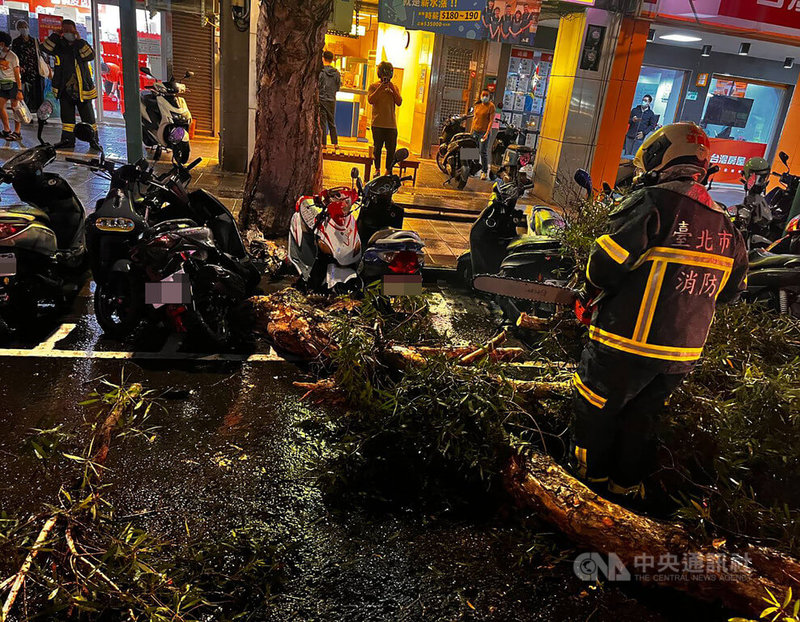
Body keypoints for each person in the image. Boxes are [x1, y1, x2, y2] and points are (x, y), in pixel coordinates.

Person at [569, 122, 748, 503]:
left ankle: (585, 495)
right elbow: (732, 292)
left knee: (593, 413)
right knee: (641, 423)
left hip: (625, 343)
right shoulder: (725, 224)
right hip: (680, 356)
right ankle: (626, 496)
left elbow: (603, 268)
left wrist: (591, 295)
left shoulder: (652, 203)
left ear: (659, 157)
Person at [41, 19, 101, 151]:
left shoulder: (80, 45)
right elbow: (44, 48)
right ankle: (68, 140)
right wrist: (56, 34)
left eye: (70, 30)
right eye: (65, 30)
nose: (68, 33)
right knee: (67, 120)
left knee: (89, 119)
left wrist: (78, 40)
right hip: (64, 90)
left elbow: (90, 55)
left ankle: (94, 141)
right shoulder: (59, 46)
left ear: (75, 30)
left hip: (82, 90)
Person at [367, 61, 402, 177]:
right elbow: (371, 100)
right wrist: (380, 88)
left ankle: (388, 171)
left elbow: (399, 102)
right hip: (377, 124)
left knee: (391, 150)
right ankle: (377, 169)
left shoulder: (394, 87)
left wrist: (392, 89)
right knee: (377, 148)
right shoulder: (373, 86)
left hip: (391, 125)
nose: (385, 77)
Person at [12, 20, 43, 119]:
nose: (24, 29)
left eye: (25, 27)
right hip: (24, 72)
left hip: (36, 71)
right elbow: (15, 56)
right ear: (18, 29)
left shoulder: (34, 40)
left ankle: (41, 116)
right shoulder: (16, 42)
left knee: (38, 94)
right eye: (21, 27)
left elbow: (40, 54)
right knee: (25, 95)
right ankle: (27, 116)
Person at [0, 32, 23, 141]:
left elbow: (17, 74)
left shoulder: (13, 57)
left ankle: (17, 132)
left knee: (15, 108)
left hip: (13, 84)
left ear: (2, 43)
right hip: (2, 84)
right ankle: (6, 130)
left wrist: (19, 90)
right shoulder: (0, 54)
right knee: (0, 107)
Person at [319, 50, 341, 152]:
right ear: (332, 60)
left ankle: (324, 144)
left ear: (323, 58)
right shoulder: (336, 73)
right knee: (332, 121)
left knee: (323, 123)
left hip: (322, 98)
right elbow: (338, 87)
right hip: (332, 99)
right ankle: (335, 143)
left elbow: (318, 85)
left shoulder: (322, 71)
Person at [471, 89, 495, 180]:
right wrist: (471, 131)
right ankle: (473, 169)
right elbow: (474, 118)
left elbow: (491, 121)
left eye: (486, 95)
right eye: (483, 95)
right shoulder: (477, 105)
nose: (484, 97)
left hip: (484, 132)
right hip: (475, 131)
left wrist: (487, 133)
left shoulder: (491, 106)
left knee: (483, 152)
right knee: (473, 150)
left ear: (489, 96)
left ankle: (484, 171)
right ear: (480, 95)